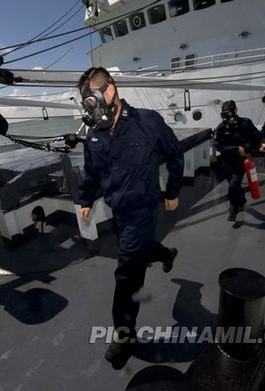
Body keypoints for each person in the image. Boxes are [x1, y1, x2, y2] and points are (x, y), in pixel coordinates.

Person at [77, 67, 184, 367]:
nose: (90, 108)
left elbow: (175, 154)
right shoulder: (94, 136)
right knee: (140, 249)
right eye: (85, 103)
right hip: (119, 212)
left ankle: (124, 336)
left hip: (144, 208)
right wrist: (87, 199)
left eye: (91, 100)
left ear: (109, 91)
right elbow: (92, 173)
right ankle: (164, 252)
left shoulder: (147, 122)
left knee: (127, 272)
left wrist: (172, 191)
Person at [214, 100, 260, 222]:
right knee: (235, 186)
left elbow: (256, 137)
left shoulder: (246, 123)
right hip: (226, 163)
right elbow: (218, 146)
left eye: (230, 112)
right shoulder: (221, 128)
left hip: (240, 162)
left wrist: (249, 148)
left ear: (236, 110)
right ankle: (242, 201)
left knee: (233, 186)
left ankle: (233, 210)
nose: (228, 117)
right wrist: (236, 148)